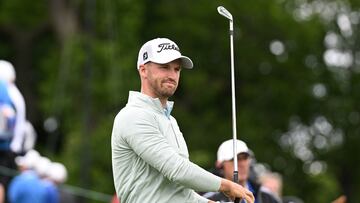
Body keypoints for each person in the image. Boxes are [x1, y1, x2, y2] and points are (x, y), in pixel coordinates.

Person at [111, 38, 254, 203]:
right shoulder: (133, 116)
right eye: (164, 67)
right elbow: (177, 170)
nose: (172, 75)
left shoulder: (170, 120)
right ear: (143, 70)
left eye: (176, 69)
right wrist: (226, 185)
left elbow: (180, 192)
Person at [203, 139, 280, 203]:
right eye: (234, 159)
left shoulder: (266, 196)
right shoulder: (208, 199)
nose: (242, 164)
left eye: (245, 158)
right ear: (220, 165)